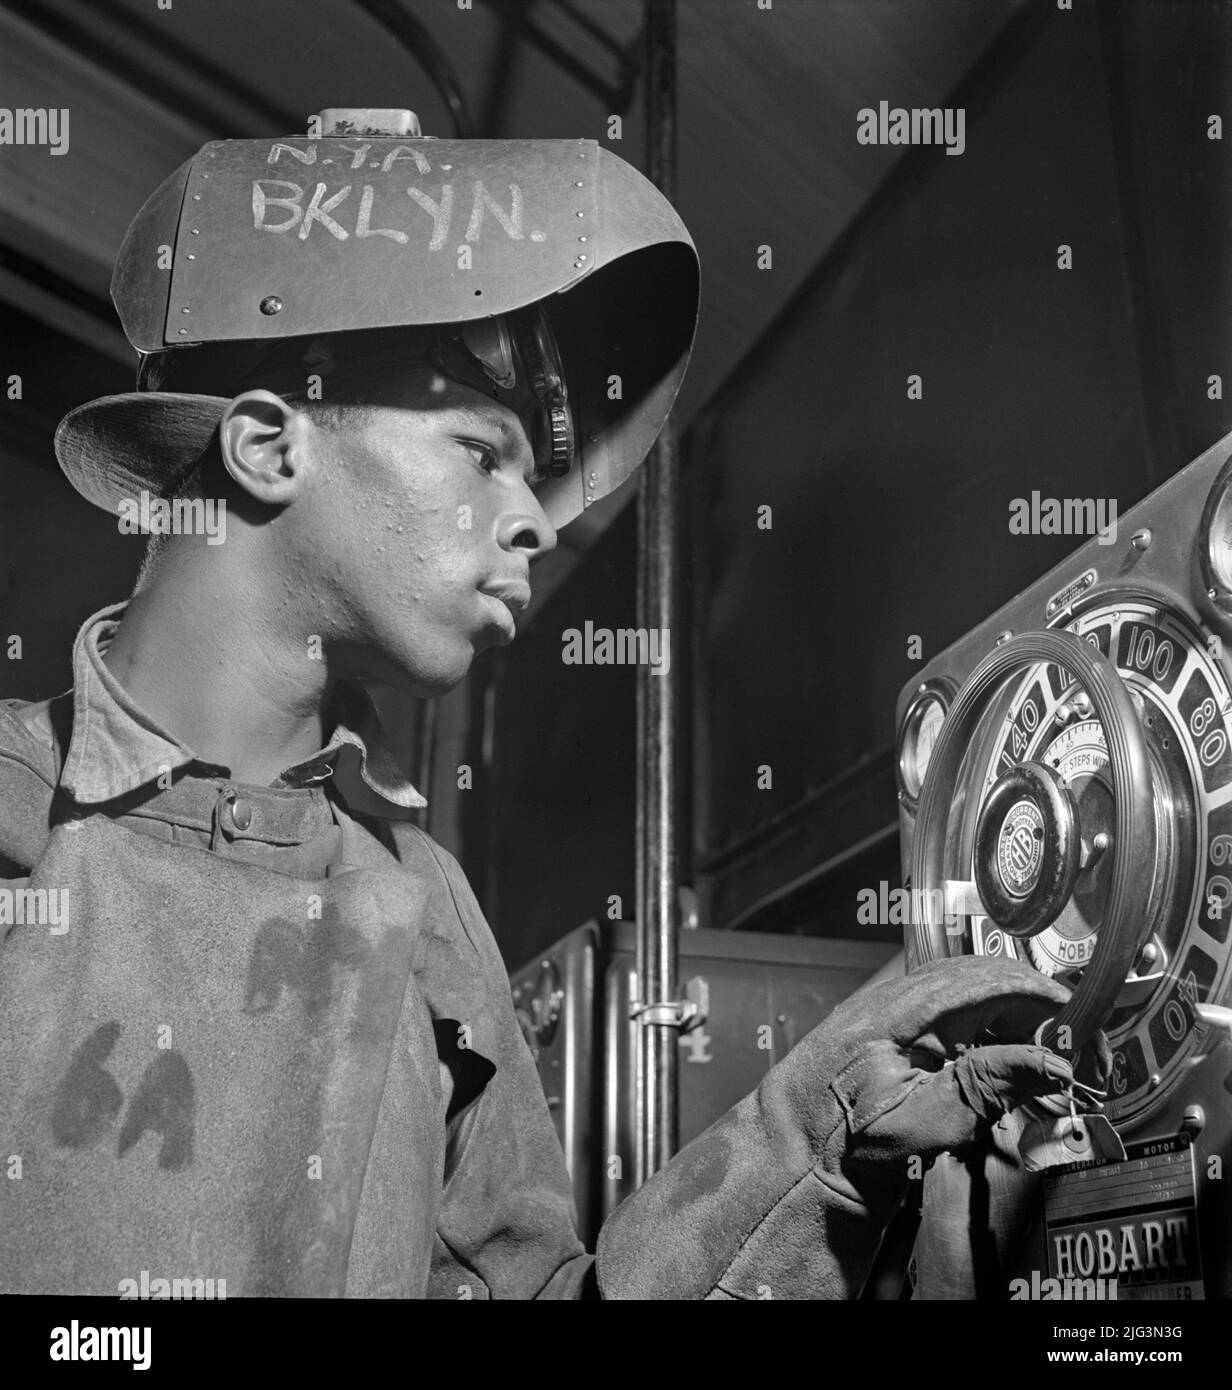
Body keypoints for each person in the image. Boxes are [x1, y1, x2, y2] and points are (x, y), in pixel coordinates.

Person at [0, 111, 1085, 1299]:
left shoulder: (422, 903)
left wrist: (815, 1142)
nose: (535, 519)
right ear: (267, 448)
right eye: (482, 449)